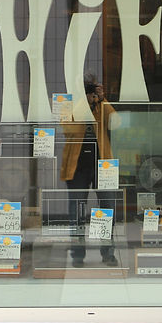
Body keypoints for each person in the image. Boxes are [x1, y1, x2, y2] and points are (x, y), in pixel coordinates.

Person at [60, 75, 117, 268]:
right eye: (86, 88)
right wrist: (83, 103)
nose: (89, 92)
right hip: (77, 167)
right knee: (77, 211)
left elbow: (115, 123)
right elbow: (68, 129)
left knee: (107, 209)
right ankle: (77, 254)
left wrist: (102, 100)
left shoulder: (100, 105)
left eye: (91, 88)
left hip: (103, 164)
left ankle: (108, 253)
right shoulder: (69, 104)